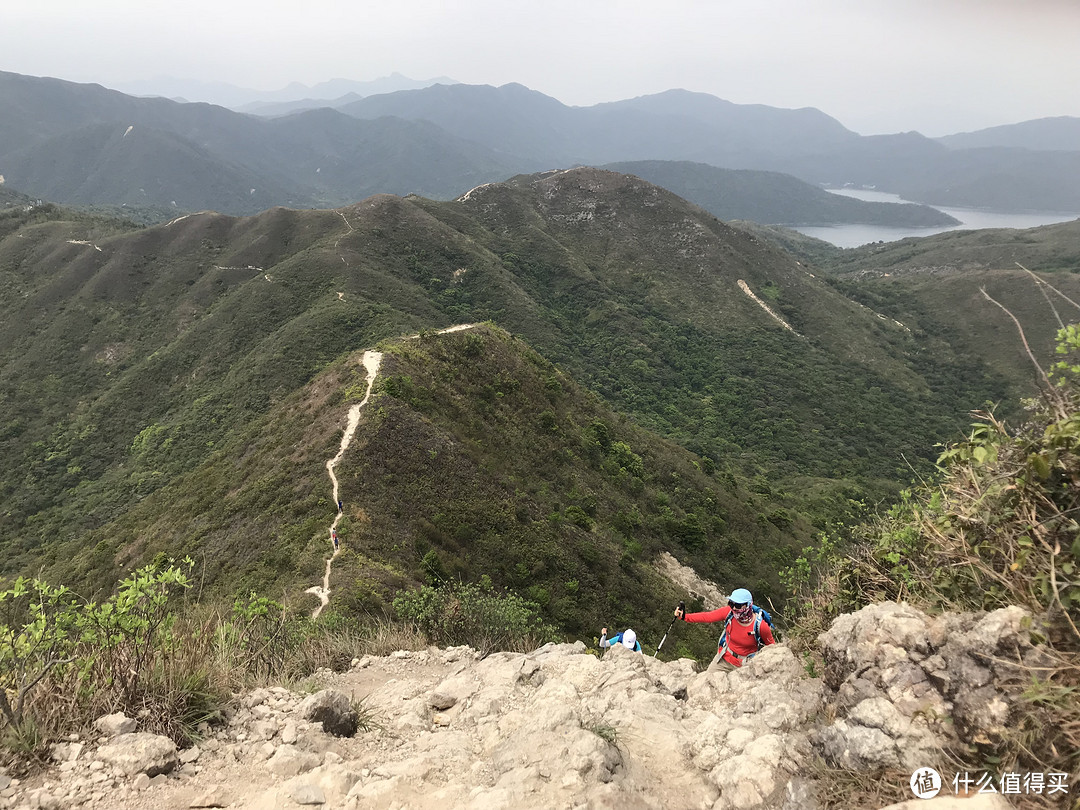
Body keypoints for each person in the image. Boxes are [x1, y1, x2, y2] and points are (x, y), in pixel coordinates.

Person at [674, 588, 775, 671]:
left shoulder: (760, 626)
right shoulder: (729, 613)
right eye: (731, 603)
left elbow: (772, 648)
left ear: (748, 605)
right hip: (723, 659)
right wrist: (684, 617)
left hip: (745, 666)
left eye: (738, 605)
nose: (734, 608)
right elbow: (708, 617)